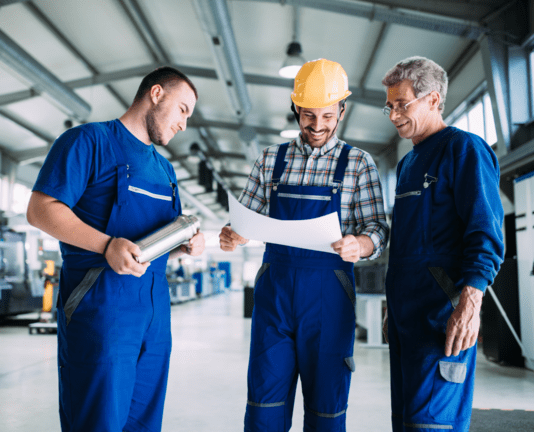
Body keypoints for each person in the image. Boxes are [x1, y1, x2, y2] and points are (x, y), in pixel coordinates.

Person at [27, 66, 206, 432]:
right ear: (156, 94)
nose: (184, 124)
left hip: (155, 317)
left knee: (143, 424)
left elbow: (147, 249)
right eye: (183, 110)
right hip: (101, 313)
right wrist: (106, 245)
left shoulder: (165, 169)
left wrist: (181, 247)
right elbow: (40, 210)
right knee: (99, 422)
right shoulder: (87, 142)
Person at [219, 58, 389, 432]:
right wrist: (233, 233)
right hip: (275, 298)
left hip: (329, 298)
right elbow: (245, 218)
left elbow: (378, 227)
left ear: (342, 111)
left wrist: (359, 245)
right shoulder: (270, 160)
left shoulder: (359, 164)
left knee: (326, 411)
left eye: (327, 116)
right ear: (295, 108)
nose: (317, 126)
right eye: (308, 115)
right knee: (264, 406)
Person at [381, 56, 504, 432]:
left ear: (433, 100)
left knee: (432, 424)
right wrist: (392, 307)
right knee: (404, 422)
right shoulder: (407, 165)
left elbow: (485, 230)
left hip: (442, 317)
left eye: (402, 104)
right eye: (389, 106)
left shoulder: (464, 150)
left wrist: (471, 301)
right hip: (406, 320)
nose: (393, 115)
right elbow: (402, 246)